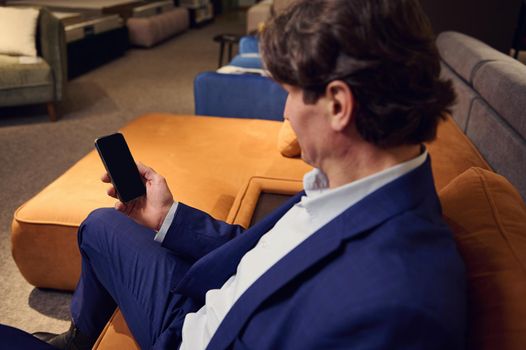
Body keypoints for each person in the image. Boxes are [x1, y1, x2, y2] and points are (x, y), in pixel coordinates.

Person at [33, 0, 466, 349]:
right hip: (206, 301)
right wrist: (169, 217)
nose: (286, 112)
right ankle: (80, 339)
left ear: (338, 104)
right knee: (100, 223)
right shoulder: (353, 184)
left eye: (291, 93)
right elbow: (265, 252)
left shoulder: (396, 305)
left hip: (189, 337)